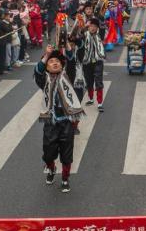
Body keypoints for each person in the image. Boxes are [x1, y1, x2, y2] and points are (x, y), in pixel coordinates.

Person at [34, 46, 84, 193]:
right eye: (51, 62)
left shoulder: (68, 76)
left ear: (61, 65)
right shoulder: (44, 80)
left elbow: (71, 60)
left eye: (57, 61)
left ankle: (65, 178)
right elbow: (37, 71)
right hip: (50, 121)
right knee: (48, 153)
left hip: (67, 121)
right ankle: (51, 169)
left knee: (66, 154)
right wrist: (47, 55)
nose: (55, 63)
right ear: (47, 67)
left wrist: (68, 48)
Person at [76, 18, 106, 111]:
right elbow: (78, 37)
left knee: (98, 81)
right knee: (89, 81)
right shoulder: (85, 35)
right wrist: (83, 27)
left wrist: (99, 16)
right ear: (88, 27)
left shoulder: (100, 35)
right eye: (91, 26)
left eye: (95, 27)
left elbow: (102, 26)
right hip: (87, 61)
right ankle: (91, 98)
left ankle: (100, 103)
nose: (93, 28)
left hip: (98, 61)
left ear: (97, 28)